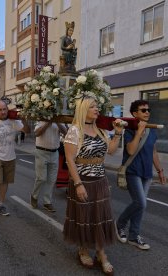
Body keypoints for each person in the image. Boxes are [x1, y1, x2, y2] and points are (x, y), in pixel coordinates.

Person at [63, 96, 124, 275]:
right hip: (83, 181)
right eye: (92, 107)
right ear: (83, 110)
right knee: (84, 217)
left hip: (100, 181)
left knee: (100, 217)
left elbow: (111, 151)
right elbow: (70, 159)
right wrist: (78, 184)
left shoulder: (101, 131)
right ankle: (83, 249)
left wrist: (118, 133)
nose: (97, 109)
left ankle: (101, 253)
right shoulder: (74, 131)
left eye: (97, 106)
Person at [116, 100, 166, 250]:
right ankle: (119, 224)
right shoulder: (130, 130)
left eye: (148, 110)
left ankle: (133, 236)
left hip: (146, 172)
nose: (147, 112)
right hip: (133, 171)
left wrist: (160, 171)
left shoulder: (152, 130)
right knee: (141, 202)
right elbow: (130, 151)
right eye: (143, 110)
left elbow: (153, 151)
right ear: (134, 114)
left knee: (140, 206)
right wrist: (139, 132)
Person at [0, 100, 30, 218]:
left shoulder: (14, 121)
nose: (3, 112)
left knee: (5, 182)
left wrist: (23, 119)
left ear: (7, 109)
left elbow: (27, 131)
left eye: (4, 109)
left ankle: (0, 205)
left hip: (10, 157)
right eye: (0, 110)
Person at [30, 122, 67, 212]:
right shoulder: (41, 120)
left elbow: (66, 133)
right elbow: (37, 133)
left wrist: (57, 122)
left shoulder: (59, 120)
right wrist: (48, 123)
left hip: (54, 153)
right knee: (41, 178)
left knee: (52, 179)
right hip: (41, 152)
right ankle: (34, 196)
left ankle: (47, 202)